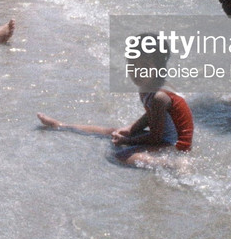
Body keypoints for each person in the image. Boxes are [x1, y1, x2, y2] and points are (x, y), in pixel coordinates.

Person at [37, 45, 193, 168]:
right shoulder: (146, 88)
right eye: (132, 65)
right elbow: (151, 116)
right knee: (113, 132)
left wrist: (129, 141)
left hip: (174, 146)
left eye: (144, 65)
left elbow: (156, 138)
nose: (137, 71)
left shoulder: (160, 96)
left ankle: (173, 164)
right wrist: (130, 129)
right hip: (161, 137)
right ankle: (62, 125)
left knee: (118, 156)